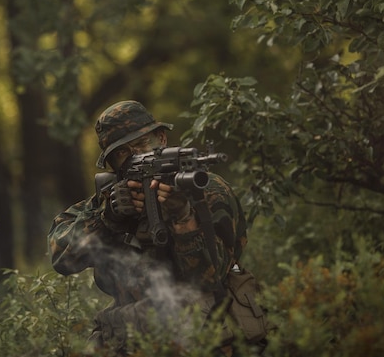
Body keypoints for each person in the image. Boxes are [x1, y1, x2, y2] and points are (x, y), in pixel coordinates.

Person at [48, 100, 253, 356]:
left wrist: (183, 217)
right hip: (131, 331)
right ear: (112, 163)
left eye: (142, 144)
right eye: (123, 152)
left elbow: (210, 279)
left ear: (162, 139)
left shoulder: (207, 191)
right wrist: (108, 218)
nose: (136, 155)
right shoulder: (111, 199)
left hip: (202, 333)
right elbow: (60, 257)